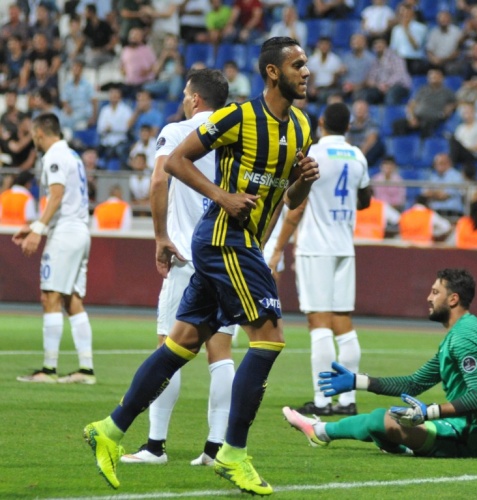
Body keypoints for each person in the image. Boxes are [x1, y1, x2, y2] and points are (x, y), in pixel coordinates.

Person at [83, 36, 318, 496]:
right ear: (273, 72)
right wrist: (222, 196)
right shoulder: (238, 117)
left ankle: (109, 429)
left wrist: (303, 182)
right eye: (298, 64)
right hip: (222, 238)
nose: (306, 72)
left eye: (306, 64)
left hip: (242, 243)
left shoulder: (303, 128)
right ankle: (232, 454)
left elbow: (289, 198)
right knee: (269, 338)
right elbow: (174, 162)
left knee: (181, 344)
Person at [120, 68, 235, 467]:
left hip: (187, 255)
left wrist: (159, 237)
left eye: (186, 94)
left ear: (196, 99)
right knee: (221, 353)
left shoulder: (177, 131)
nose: (184, 100)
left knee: (167, 349)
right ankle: (216, 449)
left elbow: (158, 182)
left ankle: (155, 445)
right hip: (227, 257)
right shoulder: (237, 133)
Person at [283, 268, 477, 460]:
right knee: (390, 418)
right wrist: (357, 381)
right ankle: (321, 431)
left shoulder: (464, 337)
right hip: (467, 428)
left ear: (453, 299)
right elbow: (413, 384)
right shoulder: (463, 331)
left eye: (435, 292)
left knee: (381, 420)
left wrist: (429, 412)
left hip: (472, 438)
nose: (428, 298)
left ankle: (321, 431)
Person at [268, 102, 372, 417]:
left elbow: (296, 208)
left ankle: (323, 400)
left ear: (322, 122)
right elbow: (365, 200)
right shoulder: (357, 155)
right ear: (349, 126)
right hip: (344, 247)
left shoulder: (313, 155)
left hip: (316, 247)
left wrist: (277, 249)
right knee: (343, 322)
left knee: (318, 322)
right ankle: (347, 400)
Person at [12, 113, 95, 384]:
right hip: (80, 230)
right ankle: (86, 370)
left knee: (50, 296)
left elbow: (56, 196)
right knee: (72, 300)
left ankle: (48, 369)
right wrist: (35, 226)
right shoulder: (72, 155)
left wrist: (38, 230)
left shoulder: (54, 156)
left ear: (39, 133)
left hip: (66, 233)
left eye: (33, 136)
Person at [392, 68, 456, 138]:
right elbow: (411, 105)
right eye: (431, 77)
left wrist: (450, 107)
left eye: (435, 76)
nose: (433, 79)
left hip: (433, 118)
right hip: (417, 117)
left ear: (441, 78)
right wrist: (412, 117)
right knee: (397, 124)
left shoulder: (447, 92)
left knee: (426, 125)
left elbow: (456, 102)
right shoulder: (422, 90)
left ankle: (425, 143)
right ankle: (402, 143)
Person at [356, 36, 412, 106]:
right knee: (366, 95)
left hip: (399, 86)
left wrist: (386, 84)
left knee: (391, 95)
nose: (378, 45)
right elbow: (371, 78)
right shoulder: (375, 61)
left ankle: (391, 113)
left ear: (386, 45)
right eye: (375, 44)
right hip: (380, 87)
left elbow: (399, 74)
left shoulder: (395, 56)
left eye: (381, 43)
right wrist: (378, 85)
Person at [389, 1, 428, 75]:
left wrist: (406, 30)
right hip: (400, 60)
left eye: (407, 13)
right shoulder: (396, 29)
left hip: (414, 59)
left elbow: (416, 46)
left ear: (412, 13)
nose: (404, 15)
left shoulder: (421, 28)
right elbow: (393, 48)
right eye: (402, 13)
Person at [422, 153, 465, 217]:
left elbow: (443, 196)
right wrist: (437, 193)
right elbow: (425, 194)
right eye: (435, 164)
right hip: (435, 212)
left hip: (452, 213)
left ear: (447, 163)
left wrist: (433, 194)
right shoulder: (434, 177)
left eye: (440, 163)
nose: (436, 166)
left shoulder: (456, 176)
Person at [425, 9, 463, 75]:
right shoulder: (433, 32)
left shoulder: (457, 32)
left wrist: (443, 60)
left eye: (445, 18)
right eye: (441, 19)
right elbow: (429, 50)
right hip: (435, 61)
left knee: (451, 68)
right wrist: (433, 59)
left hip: (450, 60)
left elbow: (457, 51)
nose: (443, 21)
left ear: (450, 19)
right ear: (438, 20)